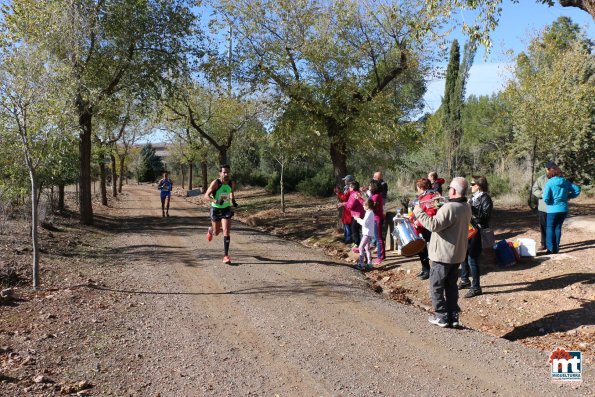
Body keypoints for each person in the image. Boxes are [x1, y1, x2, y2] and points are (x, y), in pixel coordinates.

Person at [413, 177, 471, 328]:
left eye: (449, 189)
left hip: (443, 254)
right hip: (457, 254)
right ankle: (453, 316)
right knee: (451, 286)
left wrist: (418, 211)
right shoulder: (466, 206)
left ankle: (441, 316)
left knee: (436, 286)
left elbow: (432, 225)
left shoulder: (449, 208)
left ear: (453, 191)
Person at [458, 176, 493, 298]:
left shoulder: (485, 198)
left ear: (478, 185)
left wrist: (471, 209)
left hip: (478, 231)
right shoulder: (473, 197)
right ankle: (464, 280)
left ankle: (476, 287)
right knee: (463, 255)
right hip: (469, 230)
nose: (471, 186)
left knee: (472, 259)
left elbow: (485, 216)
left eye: (473, 184)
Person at [542, 166, 581, 254]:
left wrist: (549, 203)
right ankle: (556, 248)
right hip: (563, 209)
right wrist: (569, 196)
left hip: (552, 209)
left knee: (550, 228)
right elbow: (577, 190)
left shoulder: (549, 183)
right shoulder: (565, 181)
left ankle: (550, 249)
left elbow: (545, 198)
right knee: (558, 228)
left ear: (551, 173)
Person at [204, 164, 238, 265]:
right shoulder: (216, 183)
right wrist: (216, 200)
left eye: (228, 172)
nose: (226, 174)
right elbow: (206, 196)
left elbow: (231, 192)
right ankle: (210, 230)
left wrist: (233, 200)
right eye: (224, 172)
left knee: (226, 231)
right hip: (216, 209)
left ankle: (226, 256)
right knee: (217, 232)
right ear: (220, 173)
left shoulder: (231, 183)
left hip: (226, 208)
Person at [410, 178, 439, 280]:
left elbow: (431, 213)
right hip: (421, 227)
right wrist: (411, 217)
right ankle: (425, 269)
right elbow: (419, 210)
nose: (417, 189)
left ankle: (429, 271)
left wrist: (419, 222)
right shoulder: (423, 197)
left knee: (426, 249)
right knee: (421, 249)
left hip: (427, 227)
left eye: (417, 187)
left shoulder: (430, 197)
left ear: (421, 187)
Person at [531, 160, 557, 250]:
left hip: (554, 208)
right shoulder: (541, 179)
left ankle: (553, 244)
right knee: (543, 226)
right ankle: (543, 244)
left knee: (553, 227)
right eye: (551, 168)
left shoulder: (558, 178)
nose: (553, 170)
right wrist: (541, 195)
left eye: (554, 168)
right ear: (547, 169)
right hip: (543, 208)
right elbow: (534, 189)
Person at [353, 199, 376, 271]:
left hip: (367, 234)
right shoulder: (369, 212)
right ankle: (369, 264)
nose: (362, 206)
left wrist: (357, 219)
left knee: (360, 247)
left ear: (368, 206)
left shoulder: (369, 213)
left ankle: (361, 264)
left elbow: (364, 224)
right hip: (368, 233)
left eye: (364, 205)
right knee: (367, 248)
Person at [343, 181, 365, 252]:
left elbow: (351, 205)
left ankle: (357, 244)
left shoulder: (353, 194)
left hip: (356, 215)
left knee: (354, 230)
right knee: (358, 230)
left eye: (350, 186)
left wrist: (346, 205)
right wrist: (343, 203)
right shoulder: (358, 193)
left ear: (352, 187)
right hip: (360, 214)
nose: (349, 188)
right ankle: (359, 244)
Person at [368, 179, 385, 265]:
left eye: (370, 185)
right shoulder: (374, 195)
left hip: (377, 219)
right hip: (375, 218)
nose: (369, 187)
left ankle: (380, 257)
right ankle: (381, 255)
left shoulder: (376, 196)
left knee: (379, 239)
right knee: (378, 238)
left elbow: (372, 208)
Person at [335, 175, 354, 245]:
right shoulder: (348, 188)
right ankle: (346, 237)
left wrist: (339, 193)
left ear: (348, 181)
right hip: (347, 207)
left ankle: (348, 239)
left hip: (349, 209)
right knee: (346, 223)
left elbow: (345, 198)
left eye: (345, 180)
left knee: (347, 223)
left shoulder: (350, 188)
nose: (344, 181)